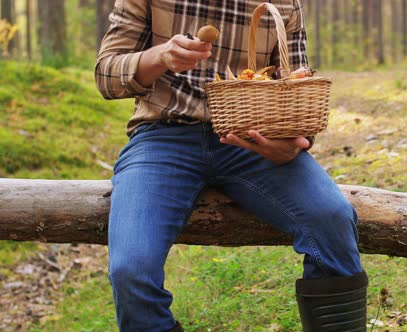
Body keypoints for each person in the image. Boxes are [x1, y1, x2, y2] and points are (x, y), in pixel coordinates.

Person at [95, 1, 367, 331]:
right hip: (162, 138)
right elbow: (106, 76)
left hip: (254, 141)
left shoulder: (283, 5)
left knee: (333, 219)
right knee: (131, 270)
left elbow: (298, 83)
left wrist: (296, 144)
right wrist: (160, 56)